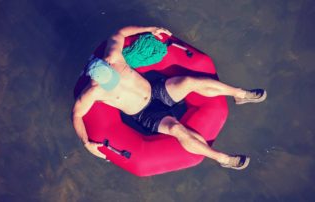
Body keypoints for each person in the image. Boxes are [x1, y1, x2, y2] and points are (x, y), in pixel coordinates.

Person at [72, 26, 267, 170]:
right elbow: (77, 115)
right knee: (176, 129)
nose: (117, 78)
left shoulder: (114, 58)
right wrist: (86, 143)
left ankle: (240, 94)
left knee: (189, 81)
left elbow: (119, 33)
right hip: (145, 113)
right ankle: (223, 159)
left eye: (115, 73)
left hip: (156, 90)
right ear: (98, 83)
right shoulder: (93, 91)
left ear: (109, 65)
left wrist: (151, 29)